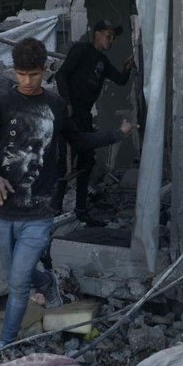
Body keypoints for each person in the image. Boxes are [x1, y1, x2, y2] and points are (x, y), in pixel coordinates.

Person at [0, 38, 133, 349]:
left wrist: (119, 133)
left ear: (44, 70)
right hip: (4, 210)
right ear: (14, 70)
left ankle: (5, 344)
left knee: (18, 284)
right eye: (21, 74)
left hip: (40, 210)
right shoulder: (0, 105)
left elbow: (80, 140)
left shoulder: (56, 106)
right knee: (14, 274)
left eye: (33, 74)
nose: (27, 81)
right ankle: (47, 281)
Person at [54, 20, 133, 224]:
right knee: (65, 161)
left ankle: (81, 209)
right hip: (70, 114)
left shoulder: (102, 61)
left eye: (114, 38)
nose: (111, 41)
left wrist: (127, 69)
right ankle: (55, 209)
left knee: (87, 161)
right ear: (97, 33)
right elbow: (61, 75)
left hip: (84, 116)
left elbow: (120, 80)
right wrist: (67, 102)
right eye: (108, 36)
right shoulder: (81, 50)